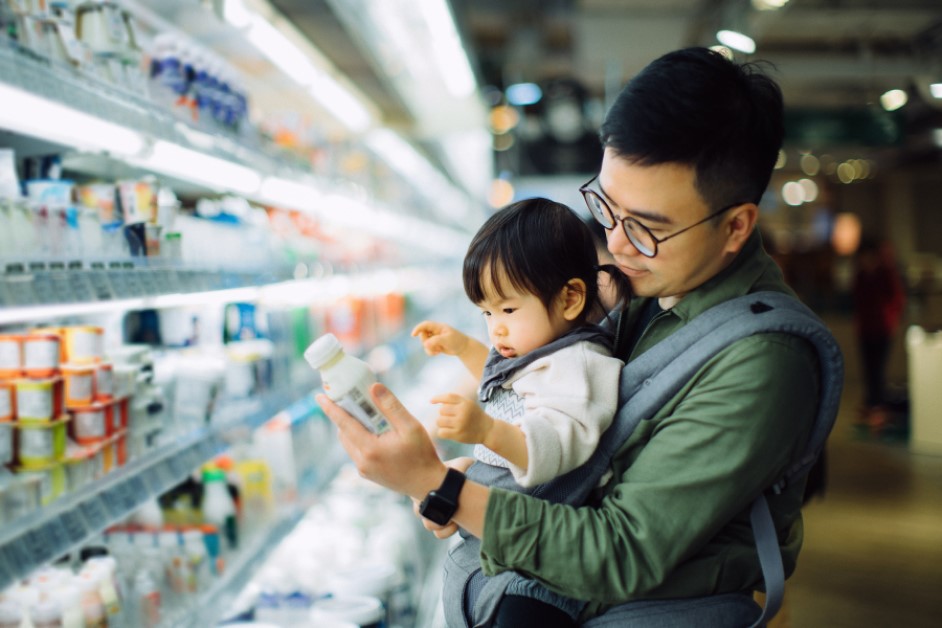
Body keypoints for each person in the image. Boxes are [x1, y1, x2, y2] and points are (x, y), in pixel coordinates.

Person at [317, 47, 833, 626]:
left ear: (735, 226)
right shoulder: (646, 292)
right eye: (606, 208)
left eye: (646, 228)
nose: (614, 242)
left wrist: (441, 488)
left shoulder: (763, 361)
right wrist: (474, 484)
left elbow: (621, 551)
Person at [411, 197, 629, 625]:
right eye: (487, 313)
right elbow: (507, 382)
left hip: (536, 575)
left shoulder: (579, 368)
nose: (497, 328)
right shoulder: (546, 351)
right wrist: (461, 347)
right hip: (507, 544)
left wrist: (487, 431)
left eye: (508, 309)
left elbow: (552, 447)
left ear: (570, 299)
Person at [851, 237, 906, 428]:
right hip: (865, 329)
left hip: (882, 329)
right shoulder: (861, 275)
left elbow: (897, 299)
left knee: (878, 370)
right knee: (869, 370)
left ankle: (877, 408)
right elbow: (857, 301)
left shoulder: (885, 274)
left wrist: (890, 319)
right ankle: (871, 405)